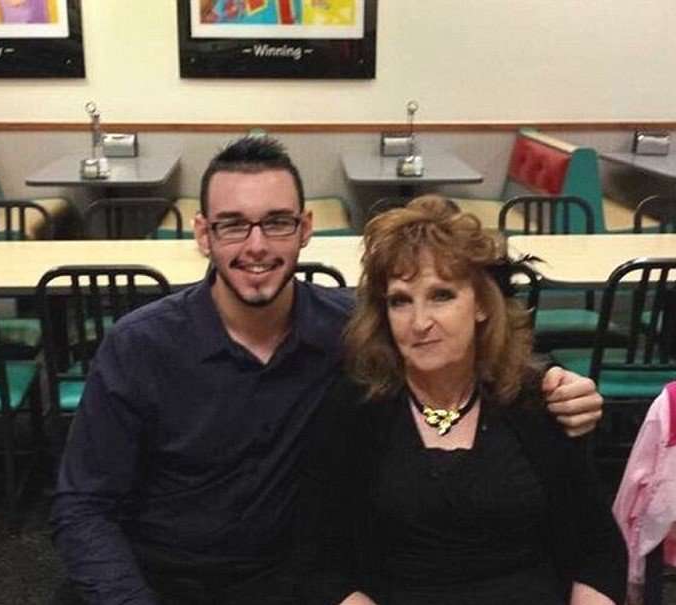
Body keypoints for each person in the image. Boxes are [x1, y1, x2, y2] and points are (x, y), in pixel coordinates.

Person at [51, 137, 604, 605]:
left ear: (305, 228)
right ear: (203, 234)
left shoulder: (351, 329)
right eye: (233, 226)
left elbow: (458, 348)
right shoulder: (141, 346)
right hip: (166, 579)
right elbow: (83, 506)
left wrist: (552, 381)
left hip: (300, 580)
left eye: (277, 223)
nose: (257, 246)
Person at [299, 196, 627, 605]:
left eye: (441, 295)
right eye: (400, 301)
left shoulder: (535, 400)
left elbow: (598, 548)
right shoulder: (357, 406)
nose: (419, 322)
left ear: (483, 305)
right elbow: (319, 558)